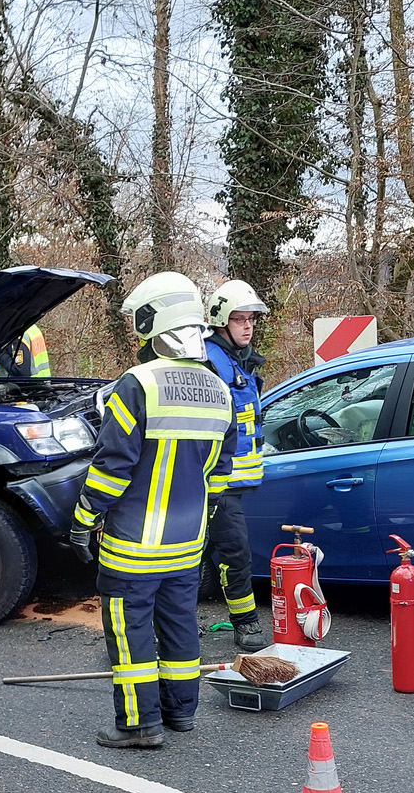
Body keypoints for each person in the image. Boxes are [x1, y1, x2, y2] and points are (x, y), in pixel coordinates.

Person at [69, 273, 237, 749]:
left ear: (153, 324)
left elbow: (112, 468)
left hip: (133, 544)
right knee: (180, 625)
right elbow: (219, 475)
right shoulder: (220, 390)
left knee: (130, 632)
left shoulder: (137, 384)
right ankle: (181, 712)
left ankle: (139, 724)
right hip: (187, 543)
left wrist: (83, 519)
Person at [202, 279, 269, 652]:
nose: (248, 326)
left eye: (251, 319)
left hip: (230, 482)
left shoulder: (238, 361)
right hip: (214, 481)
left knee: (221, 553)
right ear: (221, 322)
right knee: (234, 552)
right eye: (239, 319)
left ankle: (157, 625)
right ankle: (245, 623)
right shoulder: (210, 363)